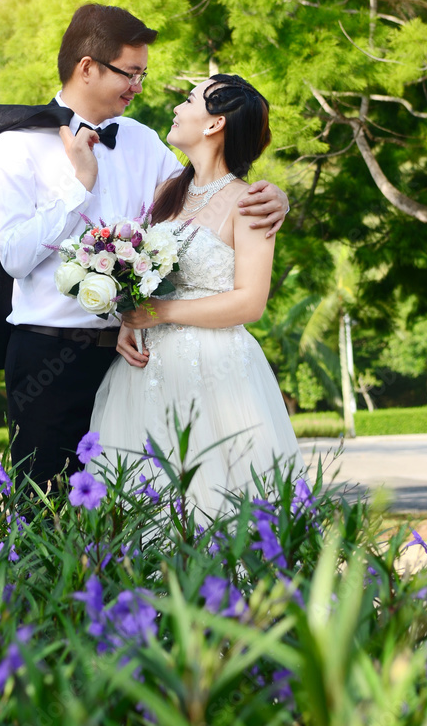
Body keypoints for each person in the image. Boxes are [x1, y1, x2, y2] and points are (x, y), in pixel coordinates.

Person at [0, 4, 289, 492]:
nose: (138, 86)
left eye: (143, 74)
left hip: (134, 361)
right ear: (88, 67)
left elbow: (201, 202)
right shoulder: (16, 145)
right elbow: (15, 258)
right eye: (131, 73)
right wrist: (79, 188)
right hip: (48, 358)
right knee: (42, 513)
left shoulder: (140, 139)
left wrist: (272, 195)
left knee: (127, 513)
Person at [88, 74, 306, 515]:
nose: (175, 108)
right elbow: (143, 274)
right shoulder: (166, 194)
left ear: (214, 125)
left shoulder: (251, 203)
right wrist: (130, 320)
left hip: (216, 371)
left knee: (216, 500)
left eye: (188, 100)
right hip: (145, 370)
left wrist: (161, 311)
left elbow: (250, 302)